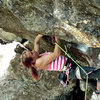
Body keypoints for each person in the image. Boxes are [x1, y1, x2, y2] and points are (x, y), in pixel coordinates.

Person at [21, 34, 100, 94]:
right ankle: (98, 90)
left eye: (31, 50)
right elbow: (56, 54)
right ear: (32, 62)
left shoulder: (36, 57)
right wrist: (57, 37)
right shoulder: (38, 62)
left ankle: (97, 90)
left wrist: (41, 34)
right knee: (98, 74)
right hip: (72, 70)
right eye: (32, 53)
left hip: (72, 67)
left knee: (90, 80)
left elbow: (36, 42)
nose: (33, 51)